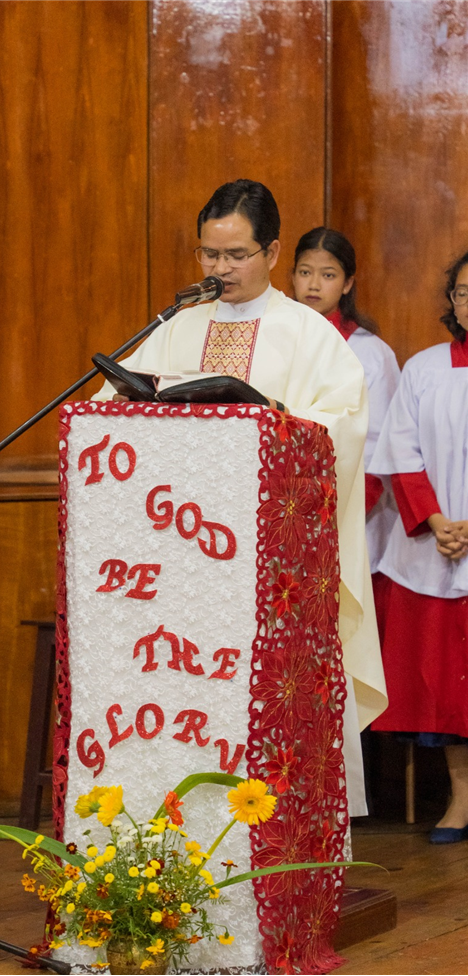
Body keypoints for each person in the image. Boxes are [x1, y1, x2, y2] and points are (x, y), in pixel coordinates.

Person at [95, 179, 388, 815]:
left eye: (236, 255)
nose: (220, 269)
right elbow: (110, 408)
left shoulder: (310, 336)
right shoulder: (176, 327)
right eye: (208, 254)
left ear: (274, 251)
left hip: (272, 569)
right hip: (178, 563)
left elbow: (342, 427)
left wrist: (275, 421)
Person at [369, 250, 468, 843]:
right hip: (435, 549)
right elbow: (400, 452)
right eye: (462, 291)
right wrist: (437, 521)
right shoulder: (424, 367)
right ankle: (460, 801)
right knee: (447, 693)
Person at [292, 228, 401, 582]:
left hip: (348, 508)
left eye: (328, 275)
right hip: (282, 502)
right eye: (305, 272)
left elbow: (380, 445)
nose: (313, 285)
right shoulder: (274, 340)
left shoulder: (370, 353)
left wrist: (337, 512)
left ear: (348, 283)